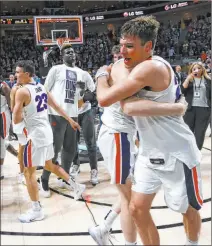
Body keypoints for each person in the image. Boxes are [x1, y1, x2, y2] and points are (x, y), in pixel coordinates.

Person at [96, 16, 202, 246]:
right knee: (136, 209)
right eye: (121, 45)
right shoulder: (132, 65)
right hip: (148, 152)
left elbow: (117, 102)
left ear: (148, 47)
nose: (123, 51)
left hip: (176, 152)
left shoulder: (150, 67)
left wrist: (100, 76)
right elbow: (128, 104)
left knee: (187, 209)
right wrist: (175, 107)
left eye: (130, 46)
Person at [12, 60, 85, 223]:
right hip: (46, 133)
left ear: (27, 74)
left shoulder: (22, 92)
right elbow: (57, 106)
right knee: (50, 165)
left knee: (28, 172)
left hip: (33, 136)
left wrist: (20, 135)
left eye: (18, 72)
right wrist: (70, 120)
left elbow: (16, 116)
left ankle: (36, 210)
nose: (16, 75)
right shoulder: (41, 87)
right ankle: (76, 186)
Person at [40, 44, 90, 194]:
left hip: (73, 114)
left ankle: (64, 179)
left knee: (70, 148)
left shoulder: (81, 73)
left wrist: (83, 90)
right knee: (54, 150)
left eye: (73, 52)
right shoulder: (56, 69)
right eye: (68, 52)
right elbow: (45, 90)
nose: (71, 54)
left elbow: (83, 96)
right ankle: (44, 179)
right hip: (57, 115)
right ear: (62, 56)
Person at [70, 76, 99, 186]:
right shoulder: (63, 76)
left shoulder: (84, 75)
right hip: (72, 113)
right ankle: (76, 165)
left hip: (86, 111)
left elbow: (93, 94)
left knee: (90, 142)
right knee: (73, 142)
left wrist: (86, 97)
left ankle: (94, 170)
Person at [181, 62, 211, 150]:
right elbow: (182, 91)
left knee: (200, 133)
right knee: (188, 131)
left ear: (202, 70)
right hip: (190, 109)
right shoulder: (188, 80)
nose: (196, 70)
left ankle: (197, 153)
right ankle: (188, 152)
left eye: (198, 68)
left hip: (204, 110)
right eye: (194, 69)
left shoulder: (208, 80)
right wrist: (187, 79)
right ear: (191, 71)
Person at [0, 81, 11, 180]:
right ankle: (16, 153)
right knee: (3, 143)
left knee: (1, 142)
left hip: (2, 116)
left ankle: (1, 170)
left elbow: (11, 104)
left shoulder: (4, 87)